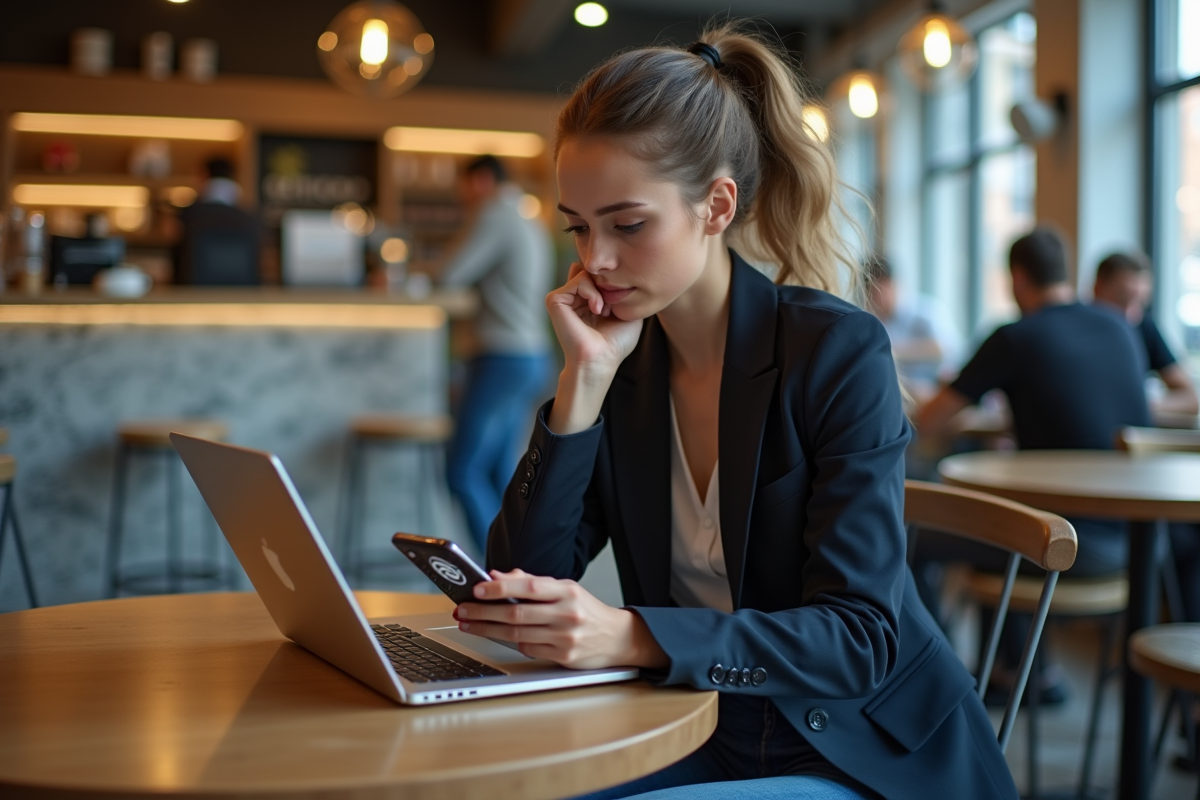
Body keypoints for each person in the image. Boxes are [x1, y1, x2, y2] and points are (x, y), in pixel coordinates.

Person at [450, 25, 1017, 800]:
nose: (596, 260)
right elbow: (524, 582)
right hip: (697, 726)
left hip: (851, 746)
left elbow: (860, 639)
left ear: (716, 206)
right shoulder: (623, 368)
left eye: (628, 223)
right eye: (579, 227)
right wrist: (582, 383)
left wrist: (634, 635)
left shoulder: (834, 352)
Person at [915, 227, 1150, 698]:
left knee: (909, 533)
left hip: (1063, 545)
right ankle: (1020, 671)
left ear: (1017, 279)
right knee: (998, 513)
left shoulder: (1015, 337)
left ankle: (931, 685)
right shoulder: (1118, 326)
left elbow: (931, 419)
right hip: (1139, 543)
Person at [437, 155, 553, 553]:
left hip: (501, 357)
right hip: (529, 356)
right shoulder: (525, 216)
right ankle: (512, 569)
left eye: (464, 186)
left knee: (462, 471)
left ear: (482, 180)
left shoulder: (495, 212)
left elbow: (450, 274)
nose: (462, 196)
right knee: (497, 472)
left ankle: (497, 570)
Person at [1092, 250, 1199, 417]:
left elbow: (1189, 398)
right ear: (1097, 288)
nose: (1130, 313)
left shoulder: (1143, 327)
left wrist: (1144, 403)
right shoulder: (1074, 331)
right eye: (1122, 298)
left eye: (1140, 302)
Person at [864, 255, 963, 402]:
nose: (872, 298)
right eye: (868, 292)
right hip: (901, 396)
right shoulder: (876, 321)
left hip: (935, 393)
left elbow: (945, 348)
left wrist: (891, 350)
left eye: (874, 291)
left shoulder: (925, 311)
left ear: (890, 284)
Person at [175, 157, 259, 285]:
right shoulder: (250, 217)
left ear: (204, 175)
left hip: (194, 296)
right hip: (243, 296)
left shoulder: (188, 215)